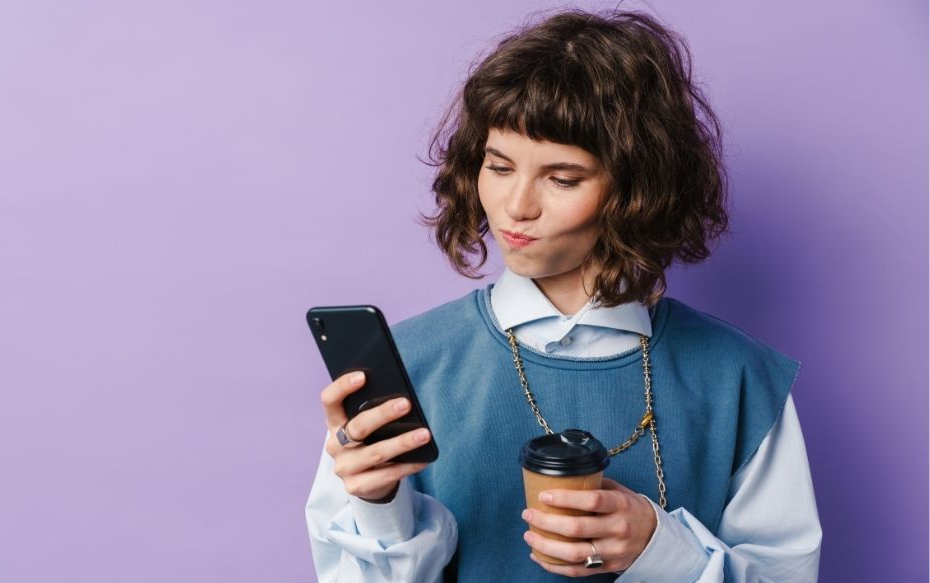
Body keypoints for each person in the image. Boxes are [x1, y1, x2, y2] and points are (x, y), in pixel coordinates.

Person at [305, 8, 822, 582]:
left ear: (638, 188)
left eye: (562, 178)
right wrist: (380, 508)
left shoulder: (739, 377)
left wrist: (659, 548)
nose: (516, 206)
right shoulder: (409, 363)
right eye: (498, 167)